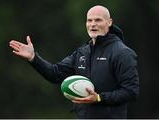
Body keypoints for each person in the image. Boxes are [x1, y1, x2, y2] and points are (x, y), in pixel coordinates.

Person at [9, 5, 139, 119]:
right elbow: (55, 74)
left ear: (109, 22)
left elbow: (131, 92)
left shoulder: (122, 53)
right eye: (89, 20)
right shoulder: (82, 52)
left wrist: (99, 98)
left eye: (98, 20)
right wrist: (33, 58)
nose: (93, 24)